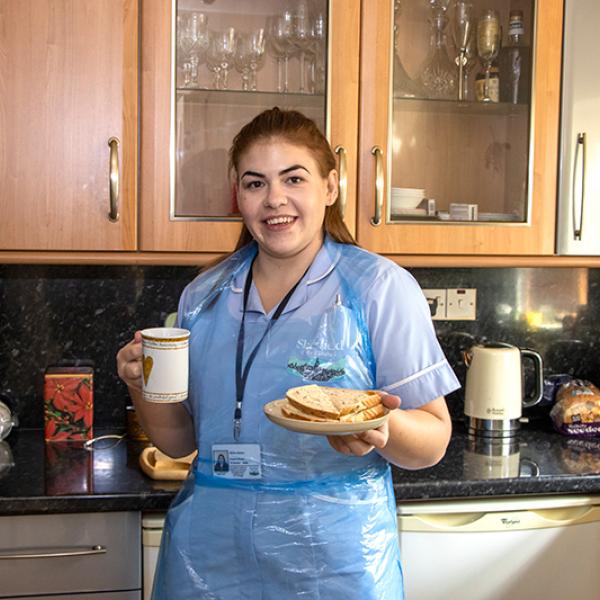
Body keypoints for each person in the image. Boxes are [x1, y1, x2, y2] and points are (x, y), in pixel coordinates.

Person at [117, 107, 460, 599]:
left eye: (293, 178)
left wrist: (380, 427)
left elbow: (432, 441)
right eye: (255, 183)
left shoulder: (379, 289)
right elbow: (179, 442)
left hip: (333, 560)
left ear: (330, 187)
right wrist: (139, 381)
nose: (274, 199)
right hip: (208, 558)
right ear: (238, 195)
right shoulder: (204, 295)